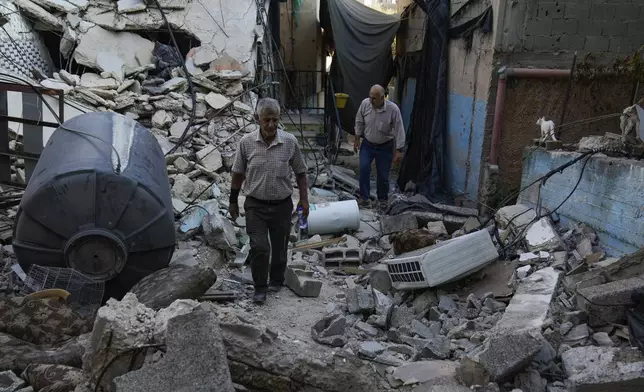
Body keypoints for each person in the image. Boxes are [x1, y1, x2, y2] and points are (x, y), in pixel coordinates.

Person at [229, 98, 309, 304]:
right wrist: (232, 201)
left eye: (275, 120)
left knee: (280, 248)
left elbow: (301, 173)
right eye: (267, 120)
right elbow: (237, 174)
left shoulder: (290, 142)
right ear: (258, 119)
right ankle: (260, 287)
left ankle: (276, 279)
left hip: (282, 205)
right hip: (255, 205)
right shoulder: (246, 143)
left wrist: (304, 201)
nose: (271, 125)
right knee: (260, 247)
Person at [354, 84, 406, 209]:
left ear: (383, 97)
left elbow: (399, 129)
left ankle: (382, 199)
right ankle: (364, 198)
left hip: (385, 146)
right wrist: (357, 138)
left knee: (383, 175)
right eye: (370, 97)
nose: (371, 100)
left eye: (374, 98)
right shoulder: (365, 104)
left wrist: (399, 150)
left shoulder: (393, 110)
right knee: (364, 169)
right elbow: (359, 120)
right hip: (368, 144)